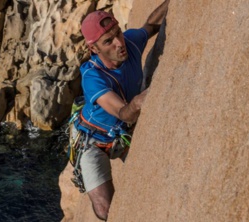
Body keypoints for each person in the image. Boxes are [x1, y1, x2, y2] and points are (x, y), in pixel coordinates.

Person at [73, 1, 169, 220]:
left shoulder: (130, 43)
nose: (118, 43)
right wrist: (138, 102)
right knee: (105, 209)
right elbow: (124, 112)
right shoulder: (94, 79)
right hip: (93, 141)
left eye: (118, 33)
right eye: (108, 41)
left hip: (122, 134)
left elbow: (151, 25)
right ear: (94, 49)